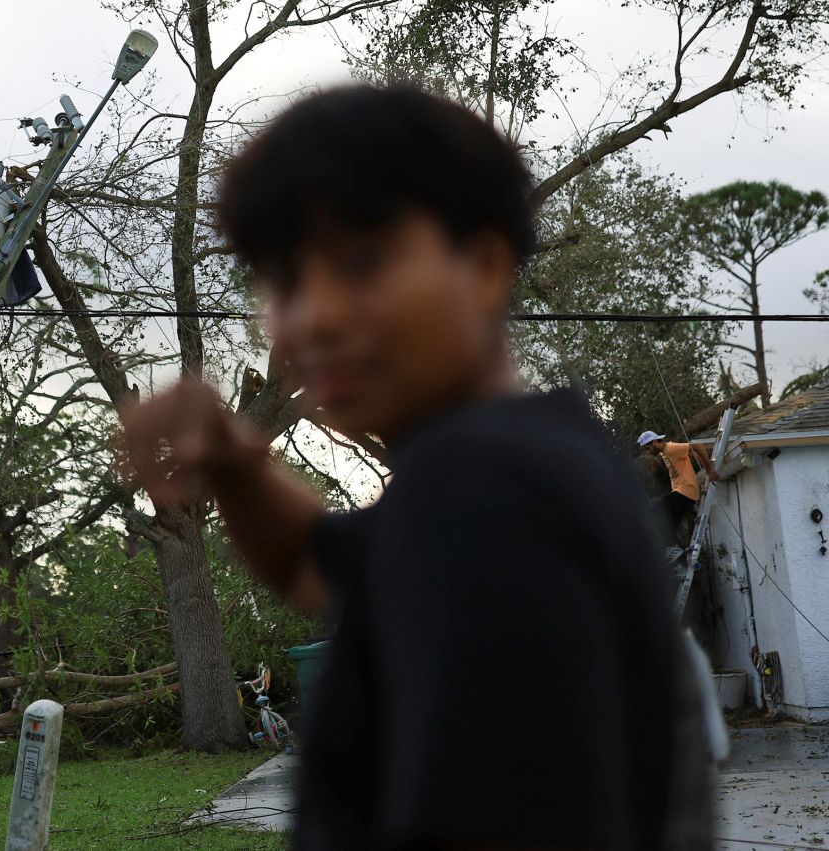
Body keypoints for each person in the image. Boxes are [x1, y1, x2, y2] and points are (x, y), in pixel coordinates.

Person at [118, 86, 710, 849]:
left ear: (487, 262)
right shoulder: (530, 467)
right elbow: (313, 565)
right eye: (285, 280)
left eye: (361, 260)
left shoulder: (489, 502)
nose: (312, 316)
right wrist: (235, 467)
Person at [638, 430, 719, 535]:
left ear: (654, 442)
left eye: (648, 448)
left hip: (684, 493)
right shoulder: (664, 452)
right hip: (686, 495)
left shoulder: (671, 448)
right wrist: (705, 466)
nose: (648, 452)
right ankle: (672, 548)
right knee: (669, 527)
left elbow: (698, 446)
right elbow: (692, 453)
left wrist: (709, 471)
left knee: (653, 510)